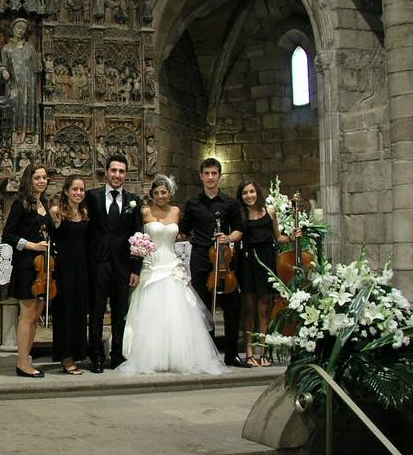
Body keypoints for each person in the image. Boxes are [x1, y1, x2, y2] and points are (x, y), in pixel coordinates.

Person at [118, 175, 225, 375]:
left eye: (164, 192)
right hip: (151, 266)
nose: (160, 196)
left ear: (170, 193)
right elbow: (133, 233)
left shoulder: (176, 211)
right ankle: (152, 357)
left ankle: (177, 356)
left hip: (171, 266)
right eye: (157, 193)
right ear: (152, 194)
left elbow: (182, 233)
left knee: (175, 314)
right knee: (152, 313)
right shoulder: (144, 211)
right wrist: (139, 248)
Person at [178, 158, 249, 367]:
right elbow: (183, 230)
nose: (210, 177)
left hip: (224, 259)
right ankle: (205, 355)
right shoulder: (192, 204)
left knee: (232, 306)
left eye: (214, 173)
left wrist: (227, 238)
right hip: (201, 257)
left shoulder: (230, 203)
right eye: (206, 173)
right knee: (203, 307)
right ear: (201, 176)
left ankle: (231, 354)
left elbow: (239, 230)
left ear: (219, 175)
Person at [85, 154, 143, 373]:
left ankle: (117, 355)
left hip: (122, 266)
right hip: (98, 264)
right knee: (97, 312)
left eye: (121, 171)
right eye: (114, 170)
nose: (117, 175)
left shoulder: (133, 201)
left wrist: (136, 268)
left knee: (120, 313)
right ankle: (96, 357)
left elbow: (139, 236)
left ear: (125, 174)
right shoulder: (92, 197)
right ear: (106, 172)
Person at [236, 179, 300, 367]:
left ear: (258, 192)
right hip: (248, 260)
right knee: (249, 308)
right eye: (245, 193)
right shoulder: (240, 215)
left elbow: (277, 237)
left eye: (252, 192)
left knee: (265, 308)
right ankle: (249, 352)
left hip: (266, 259)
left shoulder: (270, 212)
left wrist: (291, 237)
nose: (249, 196)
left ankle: (263, 351)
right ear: (241, 196)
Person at [1, 164, 54, 378]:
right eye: (37, 178)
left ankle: (26, 359)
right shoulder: (20, 204)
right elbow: (8, 236)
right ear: (28, 180)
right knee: (27, 316)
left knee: (36, 316)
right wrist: (31, 245)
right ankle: (22, 363)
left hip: (42, 267)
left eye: (44, 177)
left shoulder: (44, 204)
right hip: (26, 267)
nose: (42, 181)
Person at [49, 175, 89, 375]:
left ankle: (77, 353)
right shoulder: (57, 212)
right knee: (64, 313)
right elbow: (48, 240)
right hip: (63, 269)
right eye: (75, 189)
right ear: (66, 191)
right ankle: (65, 357)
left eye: (82, 190)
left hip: (81, 268)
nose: (79, 193)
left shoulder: (85, 212)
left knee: (79, 312)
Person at [0, 18, 40, 144]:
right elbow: (2, 65)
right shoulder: (6, 49)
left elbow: (37, 67)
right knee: (14, 106)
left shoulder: (30, 48)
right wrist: (3, 71)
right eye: (18, 27)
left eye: (23, 28)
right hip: (14, 84)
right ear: (13, 29)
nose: (20, 30)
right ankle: (13, 135)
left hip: (29, 85)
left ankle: (29, 135)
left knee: (28, 106)